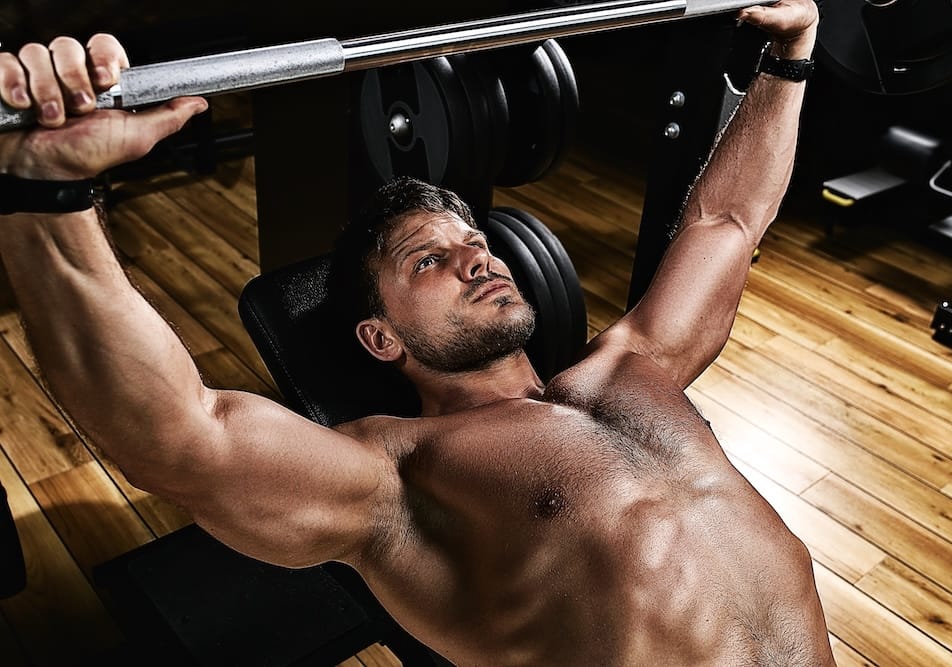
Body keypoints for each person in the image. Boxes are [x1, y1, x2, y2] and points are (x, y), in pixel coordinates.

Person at [0, 0, 836, 664]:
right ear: (380, 337)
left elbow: (727, 220)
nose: (477, 257)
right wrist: (48, 193)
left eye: (475, 239)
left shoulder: (633, 364)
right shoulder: (398, 476)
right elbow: (179, 436)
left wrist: (792, 49)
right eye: (428, 260)